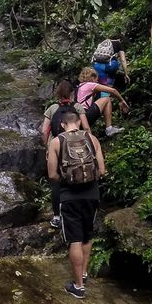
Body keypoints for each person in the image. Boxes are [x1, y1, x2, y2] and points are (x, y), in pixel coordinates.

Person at [47, 105, 106, 298]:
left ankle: (78, 286)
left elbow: (52, 174)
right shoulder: (92, 138)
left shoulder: (56, 142)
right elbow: (102, 171)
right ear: (79, 122)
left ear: (63, 124)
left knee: (75, 239)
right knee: (87, 235)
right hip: (92, 194)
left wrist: (67, 180)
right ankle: (85, 272)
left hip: (69, 196)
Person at [40, 80, 89, 228]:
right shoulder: (77, 107)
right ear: (72, 93)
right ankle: (80, 210)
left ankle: (56, 217)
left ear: (58, 94)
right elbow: (86, 127)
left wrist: (47, 147)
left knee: (56, 180)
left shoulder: (52, 108)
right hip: (77, 144)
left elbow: (44, 131)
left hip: (57, 145)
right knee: (79, 173)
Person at [76, 67, 128, 136]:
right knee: (106, 99)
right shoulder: (90, 85)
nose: (97, 82)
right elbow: (113, 91)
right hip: (85, 115)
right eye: (96, 79)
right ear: (92, 78)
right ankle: (109, 129)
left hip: (79, 117)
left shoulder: (79, 86)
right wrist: (122, 100)